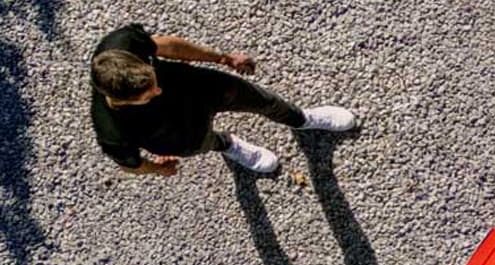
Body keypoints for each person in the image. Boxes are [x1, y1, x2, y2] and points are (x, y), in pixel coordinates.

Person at [88, 22, 357, 179]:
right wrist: (158, 169)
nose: (158, 91)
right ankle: (229, 145)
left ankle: (301, 119)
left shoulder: (123, 43)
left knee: (260, 99)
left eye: (154, 81)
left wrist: (223, 58)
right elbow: (131, 164)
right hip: (174, 133)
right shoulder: (112, 132)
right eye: (148, 95)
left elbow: (169, 46)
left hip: (196, 87)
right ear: (121, 100)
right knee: (205, 143)